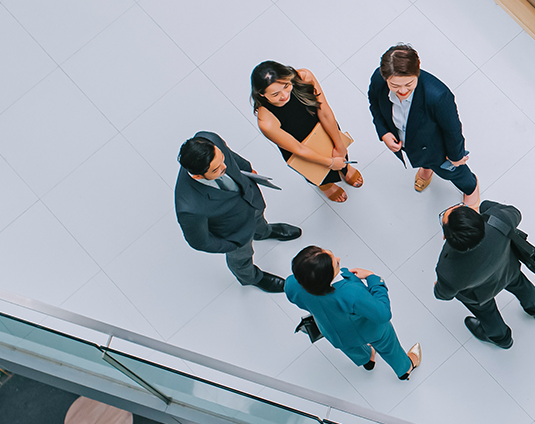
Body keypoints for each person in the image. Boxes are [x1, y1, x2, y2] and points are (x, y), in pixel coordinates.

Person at [175, 132, 301, 293]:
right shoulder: (189, 207)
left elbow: (230, 155)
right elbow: (200, 242)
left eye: (221, 160)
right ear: (199, 176)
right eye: (216, 170)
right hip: (234, 232)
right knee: (241, 258)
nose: (224, 167)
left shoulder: (209, 140)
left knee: (259, 220)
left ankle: (263, 232)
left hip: (250, 200)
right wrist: (232, 244)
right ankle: (252, 278)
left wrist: (247, 168)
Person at [367, 44, 479, 206]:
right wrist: (383, 132)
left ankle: (471, 188)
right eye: (395, 86)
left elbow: (452, 130)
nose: (403, 91)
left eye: (409, 84)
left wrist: (456, 156)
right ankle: (426, 168)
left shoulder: (438, 95)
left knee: (453, 172)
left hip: (435, 146)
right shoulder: (378, 79)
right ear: (386, 78)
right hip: (406, 139)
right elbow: (374, 104)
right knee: (423, 158)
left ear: (417, 73)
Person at [286, 246, 422, 380]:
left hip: (333, 332)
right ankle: (405, 368)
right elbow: (383, 314)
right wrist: (373, 278)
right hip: (369, 330)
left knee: (350, 347)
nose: (339, 258)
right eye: (336, 263)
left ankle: (368, 360)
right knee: (388, 345)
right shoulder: (351, 292)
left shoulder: (292, 284)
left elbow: (298, 299)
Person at [433, 201, 535, 349]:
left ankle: (502, 338)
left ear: (445, 236)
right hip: (507, 269)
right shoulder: (498, 220)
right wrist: (484, 209)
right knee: (522, 286)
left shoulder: (447, 269)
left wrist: (438, 286)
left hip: (479, 294)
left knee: (487, 313)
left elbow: (443, 294)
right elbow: (515, 212)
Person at [249, 61, 362, 203]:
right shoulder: (266, 120)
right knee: (317, 171)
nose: (284, 95)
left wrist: (340, 146)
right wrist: (330, 162)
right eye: (275, 94)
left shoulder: (304, 77)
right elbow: (298, 149)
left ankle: (345, 168)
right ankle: (325, 186)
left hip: (322, 128)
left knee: (341, 154)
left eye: (286, 86)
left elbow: (325, 112)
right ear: (262, 94)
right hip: (299, 145)